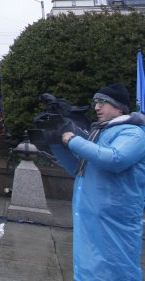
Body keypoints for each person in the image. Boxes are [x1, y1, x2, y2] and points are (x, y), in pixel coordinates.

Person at [51, 83, 145, 281]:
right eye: (95, 102)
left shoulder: (134, 133)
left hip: (115, 220)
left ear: (119, 107)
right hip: (91, 216)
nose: (96, 107)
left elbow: (114, 159)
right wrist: (55, 142)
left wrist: (74, 140)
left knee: (117, 272)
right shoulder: (100, 132)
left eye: (102, 102)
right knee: (90, 272)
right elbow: (80, 170)